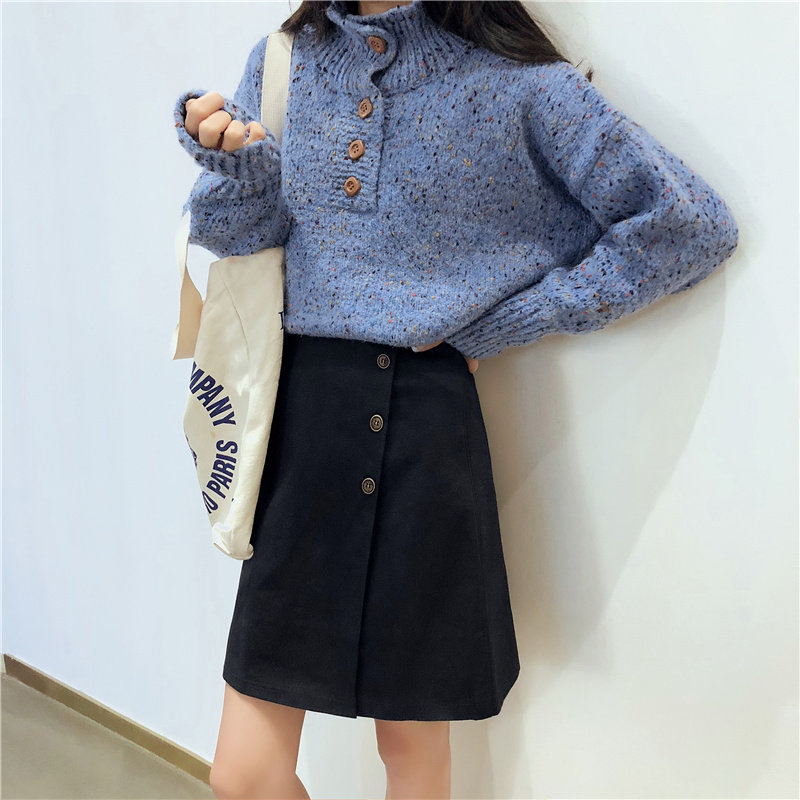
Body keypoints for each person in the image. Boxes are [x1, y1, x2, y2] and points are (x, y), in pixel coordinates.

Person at [172, 1, 739, 797]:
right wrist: (241, 172)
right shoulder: (284, 60)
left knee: (412, 751)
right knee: (243, 775)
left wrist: (511, 321)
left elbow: (689, 225)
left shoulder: (522, 86)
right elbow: (241, 240)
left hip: (424, 434)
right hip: (301, 424)